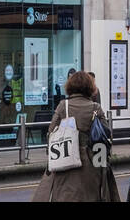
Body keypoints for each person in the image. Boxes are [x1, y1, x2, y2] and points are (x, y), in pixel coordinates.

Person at [31, 71, 120, 202]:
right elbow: (106, 138)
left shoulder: (63, 106)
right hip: (91, 165)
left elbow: (51, 133)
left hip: (65, 162)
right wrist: (101, 166)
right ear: (90, 87)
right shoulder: (96, 108)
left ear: (70, 86)